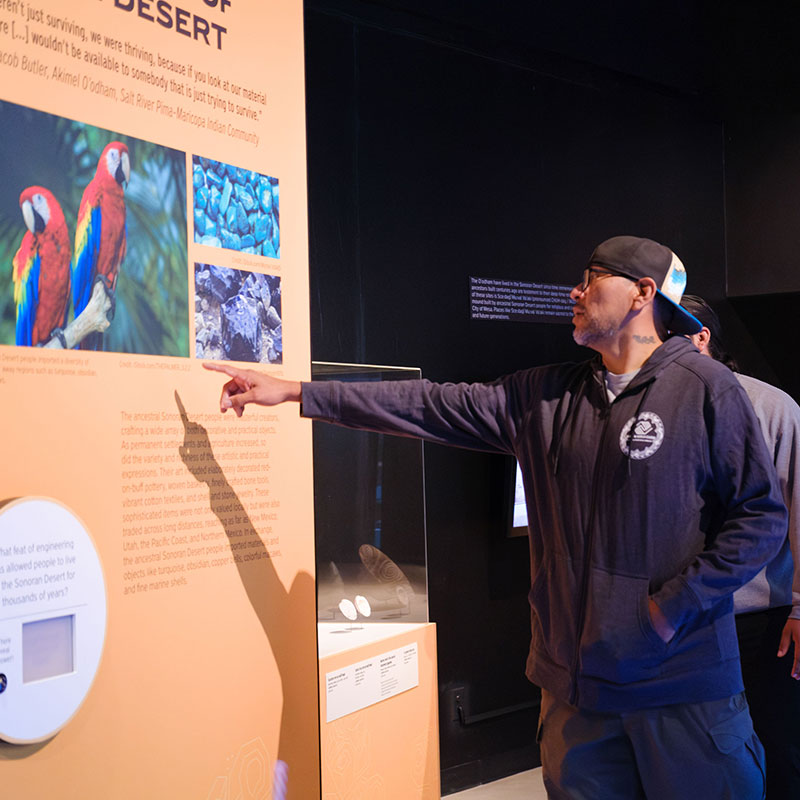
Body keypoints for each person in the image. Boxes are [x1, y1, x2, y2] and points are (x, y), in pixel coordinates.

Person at [206, 235, 786, 799]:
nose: (574, 292)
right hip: (576, 697)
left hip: (680, 690)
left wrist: (668, 611)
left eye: (591, 279)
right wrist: (296, 393)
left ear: (642, 292)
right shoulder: (547, 397)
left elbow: (760, 517)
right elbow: (429, 405)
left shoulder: (706, 389)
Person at [681, 294, 800, 799]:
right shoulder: (648, 408)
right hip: (679, 616)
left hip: (761, 618)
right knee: (693, 757)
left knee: (777, 745)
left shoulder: (771, 406)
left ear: (701, 337)